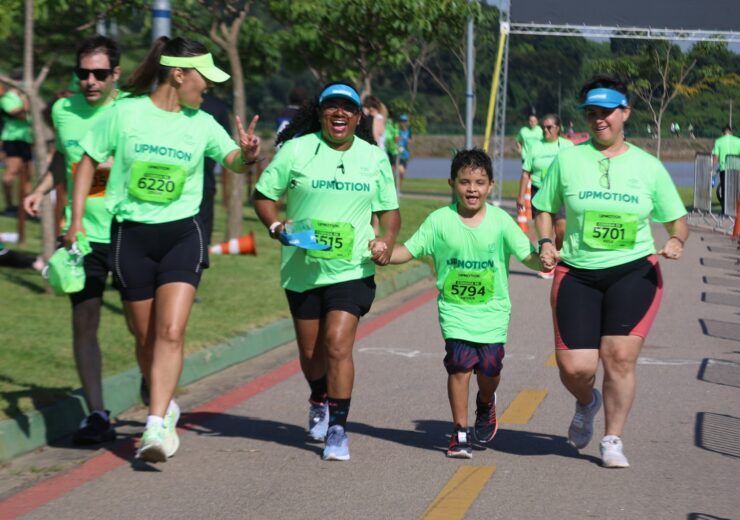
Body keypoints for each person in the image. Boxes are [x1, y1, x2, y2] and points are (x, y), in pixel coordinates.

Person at [64, 36, 261, 463]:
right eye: (203, 78)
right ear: (178, 74)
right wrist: (77, 220)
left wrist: (247, 156)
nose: (208, 86)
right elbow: (87, 162)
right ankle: (164, 401)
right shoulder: (125, 113)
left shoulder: (202, 122)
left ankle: (155, 424)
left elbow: (232, 160)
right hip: (131, 236)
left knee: (171, 331)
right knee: (146, 337)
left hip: (182, 236)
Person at [533, 76, 689, 468]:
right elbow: (543, 207)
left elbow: (677, 220)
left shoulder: (648, 166)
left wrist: (676, 240)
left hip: (634, 272)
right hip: (578, 272)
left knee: (618, 357)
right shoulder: (567, 160)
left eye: (606, 112)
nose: (599, 119)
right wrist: (546, 242)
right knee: (576, 367)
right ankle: (587, 402)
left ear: (625, 113)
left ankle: (612, 438)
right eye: (591, 113)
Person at [254, 81, 400, 461]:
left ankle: (338, 428)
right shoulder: (296, 150)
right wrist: (275, 225)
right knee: (310, 353)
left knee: (336, 343)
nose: (339, 113)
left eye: (347, 108)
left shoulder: (373, 157)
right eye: (332, 106)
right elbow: (264, 196)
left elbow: (389, 211)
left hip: (352, 267)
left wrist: (386, 239)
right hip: (302, 269)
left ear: (357, 117)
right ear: (320, 113)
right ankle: (318, 396)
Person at [385, 148, 540, 458]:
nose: (472, 189)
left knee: (490, 369)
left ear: (491, 185)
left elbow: (528, 257)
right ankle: (459, 432)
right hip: (455, 311)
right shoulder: (439, 221)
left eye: (480, 183)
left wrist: (545, 259)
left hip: (493, 312)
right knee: (459, 365)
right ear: (452, 183)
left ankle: (485, 401)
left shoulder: (500, 221)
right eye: (465, 182)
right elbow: (409, 250)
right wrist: (384, 253)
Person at [24, 35, 136, 445]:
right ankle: (98, 414)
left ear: (115, 74)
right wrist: (40, 190)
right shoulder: (63, 110)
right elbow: (62, 157)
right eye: (84, 73)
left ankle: (153, 383)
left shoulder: (132, 110)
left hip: (128, 231)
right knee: (84, 321)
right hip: (81, 235)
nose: (91, 81)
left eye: (100, 74)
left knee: (139, 324)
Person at [517, 113, 574, 279]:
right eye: (543, 127)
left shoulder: (567, 146)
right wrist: (521, 196)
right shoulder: (536, 146)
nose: (545, 130)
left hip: (560, 193)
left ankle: (561, 262)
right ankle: (547, 265)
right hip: (539, 191)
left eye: (549, 127)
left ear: (558, 128)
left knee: (562, 229)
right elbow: (526, 172)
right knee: (545, 234)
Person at [199, 92, 231, 245]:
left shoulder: (216, 107)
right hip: (205, 181)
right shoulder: (218, 105)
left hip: (204, 181)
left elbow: (227, 148)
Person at [1, 76, 33, 215]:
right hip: (13, 139)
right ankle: (9, 206)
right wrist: (25, 101)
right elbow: (20, 115)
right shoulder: (6, 98)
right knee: (11, 172)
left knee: (28, 173)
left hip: (26, 138)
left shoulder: (24, 97)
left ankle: (27, 206)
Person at [712, 126, 740, 212]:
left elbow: (716, 157)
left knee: (724, 188)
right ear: (731, 132)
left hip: (724, 168)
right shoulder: (738, 140)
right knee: (736, 189)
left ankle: (725, 209)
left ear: (722, 133)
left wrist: (711, 168)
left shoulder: (718, 141)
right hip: (736, 168)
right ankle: (735, 209)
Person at [397, 114, 412, 186]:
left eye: (405, 121)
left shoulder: (408, 131)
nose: (403, 123)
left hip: (405, 154)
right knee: (399, 171)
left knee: (402, 173)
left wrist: (407, 140)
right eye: (402, 121)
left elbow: (410, 141)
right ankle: (395, 187)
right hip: (397, 153)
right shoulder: (397, 130)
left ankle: (398, 188)